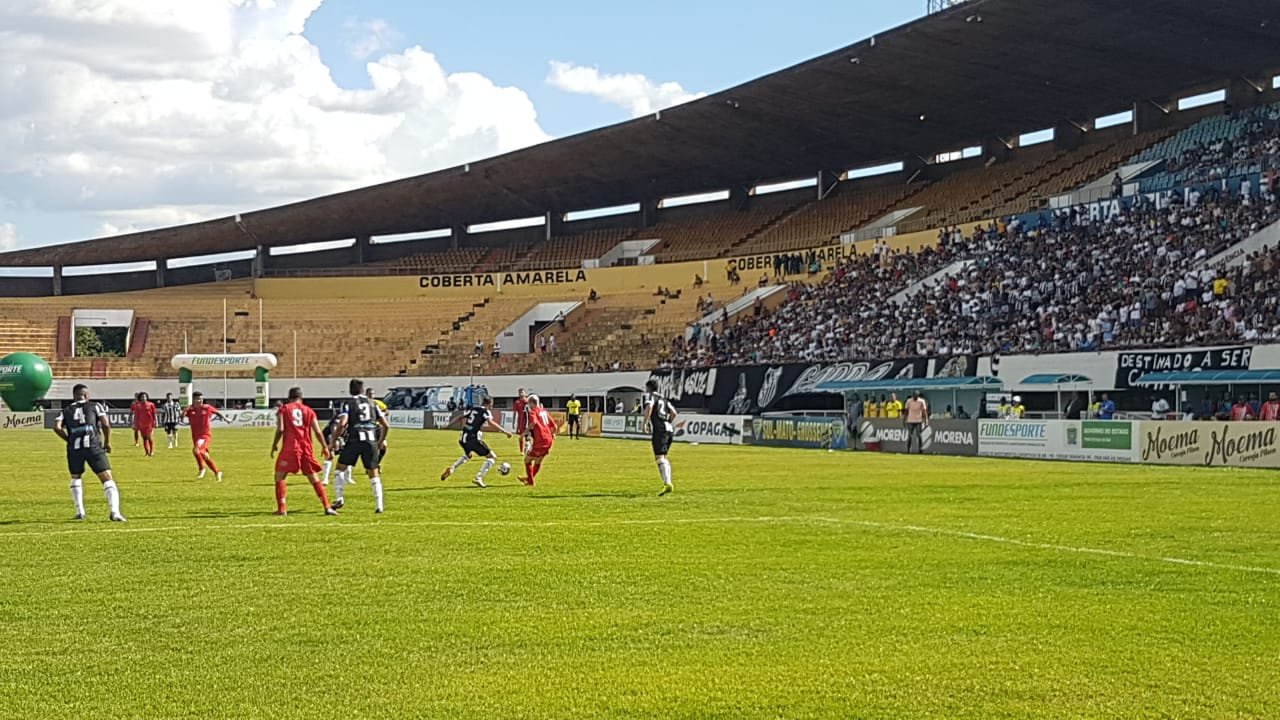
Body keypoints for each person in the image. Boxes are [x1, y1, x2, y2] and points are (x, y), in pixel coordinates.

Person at [53, 384, 125, 522]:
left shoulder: (66, 409)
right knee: (106, 477)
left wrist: (68, 439)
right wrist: (107, 442)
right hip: (93, 446)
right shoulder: (95, 406)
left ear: (74, 396)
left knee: (76, 477)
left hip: (75, 448)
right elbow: (105, 424)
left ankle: (80, 512)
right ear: (86, 395)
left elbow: (56, 427)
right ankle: (115, 512)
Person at [270, 386, 337, 517]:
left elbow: (281, 429)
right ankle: (327, 507)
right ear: (301, 398)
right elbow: (318, 431)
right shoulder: (309, 410)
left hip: (290, 447)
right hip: (306, 447)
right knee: (313, 477)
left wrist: (274, 444)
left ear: (289, 398)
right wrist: (324, 446)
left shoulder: (284, 409)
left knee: (279, 476)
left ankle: (282, 508)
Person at [330, 379, 391, 513]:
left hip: (354, 440)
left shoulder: (349, 403)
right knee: (373, 473)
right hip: (371, 441)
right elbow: (386, 425)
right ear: (363, 390)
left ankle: (339, 498)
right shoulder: (372, 403)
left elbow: (342, 424)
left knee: (340, 469)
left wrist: (333, 440)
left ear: (350, 390)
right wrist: (380, 441)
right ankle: (379, 505)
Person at [441, 396, 512, 488]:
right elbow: (491, 423)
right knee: (492, 457)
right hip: (473, 438)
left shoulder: (473, 409)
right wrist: (505, 432)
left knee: (468, 455)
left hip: (463, 438)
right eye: (491, 404)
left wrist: (448, 425)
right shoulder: (485, 411)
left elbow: (460, 417)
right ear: (490, 404)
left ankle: (452, 468)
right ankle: (478, 478)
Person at [643, 379, 676, 496]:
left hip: (660, 430)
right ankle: (667, 483)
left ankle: (668, 483)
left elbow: (649, 407)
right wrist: (667, 422)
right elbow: (674, 413)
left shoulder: (651, 396)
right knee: (663, 457)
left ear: (649, 388)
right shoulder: (664, 399)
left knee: (660, 458)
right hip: (669, 429)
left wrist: (645, 422)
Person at [185, 391, 228, 481]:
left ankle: (202, 468)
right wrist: (185, 410)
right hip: (195, 437)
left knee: (196, 450)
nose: (200, 400)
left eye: (201, 398)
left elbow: (217, 412)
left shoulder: (207, 408)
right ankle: (217, 472)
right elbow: (181, 417)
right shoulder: (190, 410)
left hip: (205, 435)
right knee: (204, 455)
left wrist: (225, 419)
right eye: (198, 399)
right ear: (193, 400)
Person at [520, 394, 556, 486]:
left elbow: (533, 423)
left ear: (532, 403)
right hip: (549, 440)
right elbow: (554, 426)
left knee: (527, 460)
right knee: (538, 460)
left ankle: (530, 482)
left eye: (529, 403)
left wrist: (523, 434)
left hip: (541, 440)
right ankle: (529, 478)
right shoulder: (544, 412)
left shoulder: (533, 411)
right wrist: (552, 434)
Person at [135, 391, 158, 457]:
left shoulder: (151, 404)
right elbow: (136, 416)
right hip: (141, 424)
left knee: (149, 437)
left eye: (145, 396)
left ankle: (151, 451)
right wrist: (135, 424)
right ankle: (147, 452)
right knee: (144, 438)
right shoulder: (138, 406)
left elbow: (154, 414)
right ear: (140, 398)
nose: (144, 398)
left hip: (149, 424)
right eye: (142, 397)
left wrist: (156, 422)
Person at [513, 388, 531, 453]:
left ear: (525, 393)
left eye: (522, 392)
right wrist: (513, 422)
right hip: (520, 422)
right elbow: (515, 413)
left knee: (527, 435)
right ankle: (522, 451)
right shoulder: (517, 402)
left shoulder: (528, 401)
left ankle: (528, 447)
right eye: (520, 392)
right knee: (520, 436)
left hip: (527, 421)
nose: (521, 394)